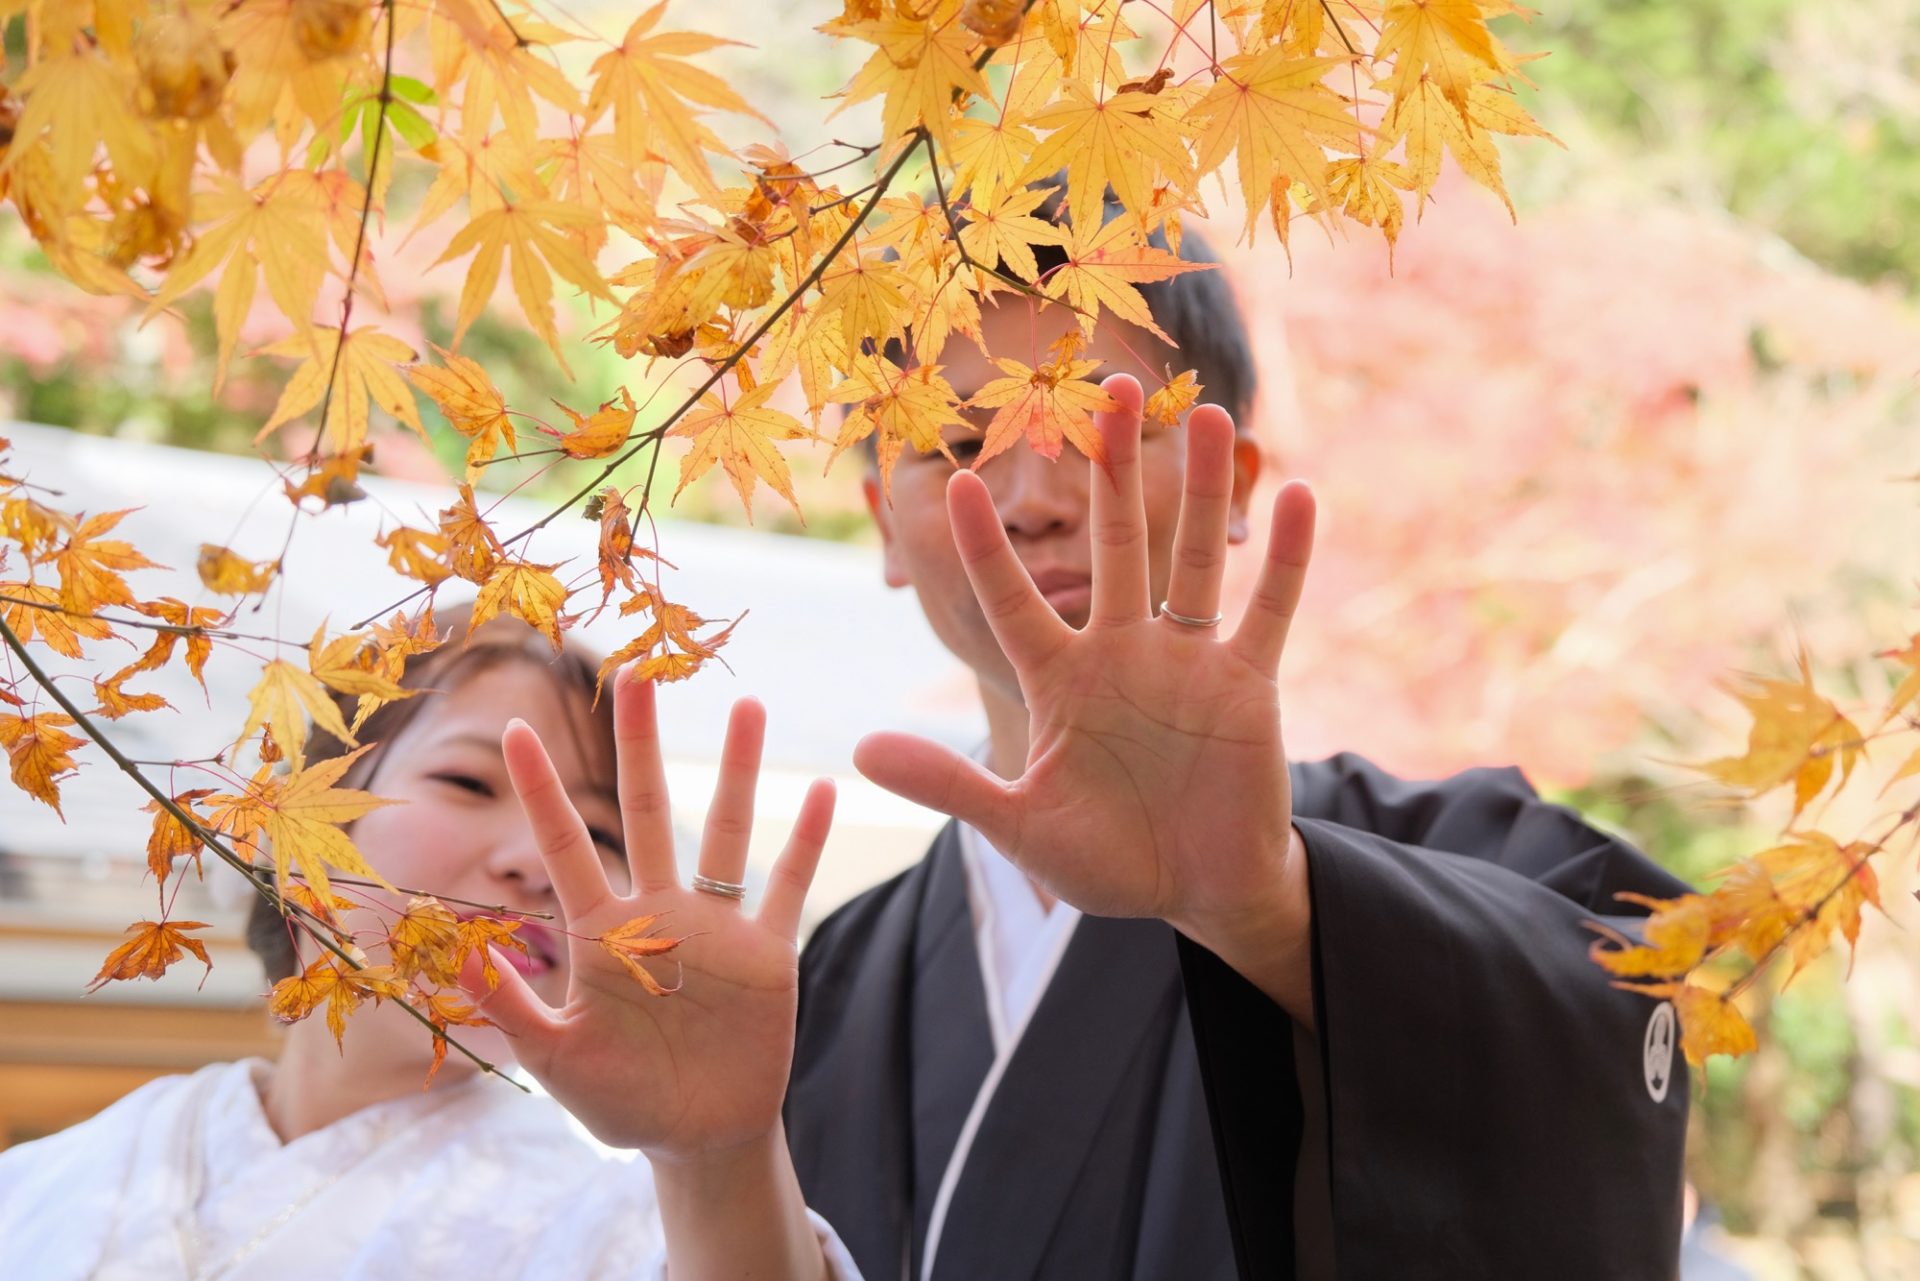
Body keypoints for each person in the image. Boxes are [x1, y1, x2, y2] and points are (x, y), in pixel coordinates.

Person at [783, 209, 1694, 1280]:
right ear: (884, 521)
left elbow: (1621, 1020)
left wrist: (1268, 908)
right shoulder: (827, 983)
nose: (1031, 499)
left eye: (1101, 428)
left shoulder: (1457, 856)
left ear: (1236, 485)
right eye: (955, 444)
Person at [0, 610, 860, 1280]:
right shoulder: (49, 1178)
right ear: (298, 823)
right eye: (469, 780)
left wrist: (718, 1160)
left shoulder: (631, 1227)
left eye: (595, 828)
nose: (537, 859)